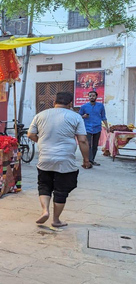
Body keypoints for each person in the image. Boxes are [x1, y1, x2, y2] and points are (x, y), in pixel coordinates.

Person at [28, 92, 91, 228]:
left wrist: (41, 142)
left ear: (53, 102)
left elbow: (30, 134)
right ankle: (56, 220)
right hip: (65, 160)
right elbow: (82, 140)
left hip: (45, 158)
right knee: (61, 190)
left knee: (44, 185)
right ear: (70, 104)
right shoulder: (76, 117)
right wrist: (86, 160)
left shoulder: (40, 115)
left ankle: (45, 210)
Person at [79, 91, 109, 166]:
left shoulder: (100, 106)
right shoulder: (84, 106)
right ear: (88, 97)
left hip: (97, 127)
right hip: (87, 128)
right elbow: (79, 117)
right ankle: (87, 160)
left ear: (96, 97)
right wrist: (83, 116)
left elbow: (103, 117)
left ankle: (92, 160)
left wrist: (107, 127)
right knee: (88, 144)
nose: (92, 97)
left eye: (93, 96)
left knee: (95, 145)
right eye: (90, 96)